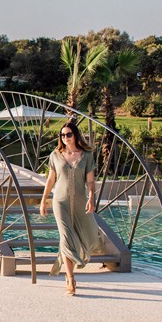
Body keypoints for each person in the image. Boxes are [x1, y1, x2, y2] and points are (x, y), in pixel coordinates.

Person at [39, 120, 105, 295]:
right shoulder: (55, 155)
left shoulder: (87, 155)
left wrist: (91, 198)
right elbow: (51, 180)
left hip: (81, 202)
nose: (65, 137)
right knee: (66, 238)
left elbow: (90, 181)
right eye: (62, 135)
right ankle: (70, 278)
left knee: (89, 235)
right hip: (60, 202)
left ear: (75, 135)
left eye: (68, 134)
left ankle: (69, 271)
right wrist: (44, 199)